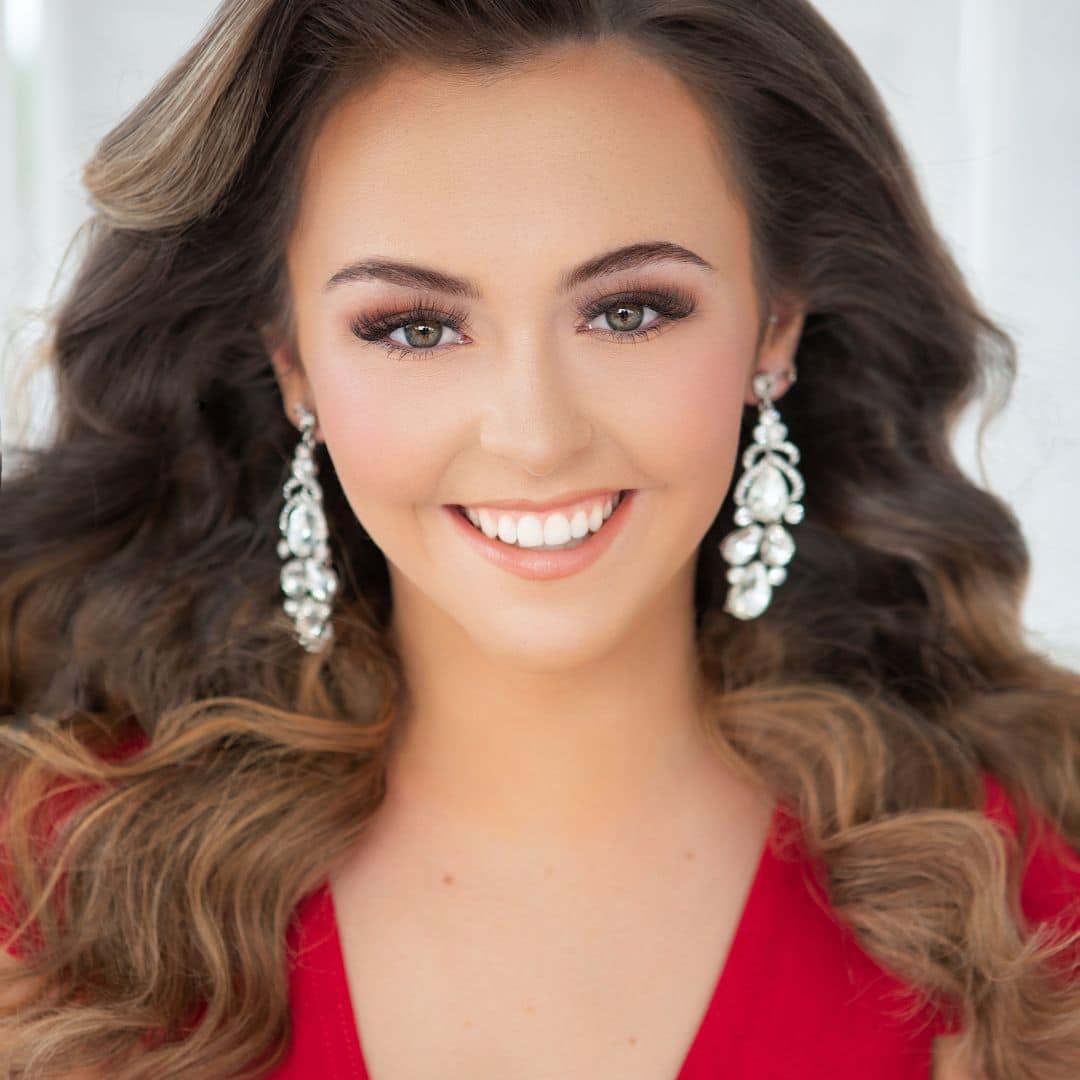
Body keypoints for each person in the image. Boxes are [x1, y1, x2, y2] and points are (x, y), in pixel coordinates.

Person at [1, 0, 1078, 1076]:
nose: (535, 437)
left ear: (775, 322)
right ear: (291, 364)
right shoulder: (54, 894)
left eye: (630, 311)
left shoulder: (1028, 905)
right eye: (415, 328)